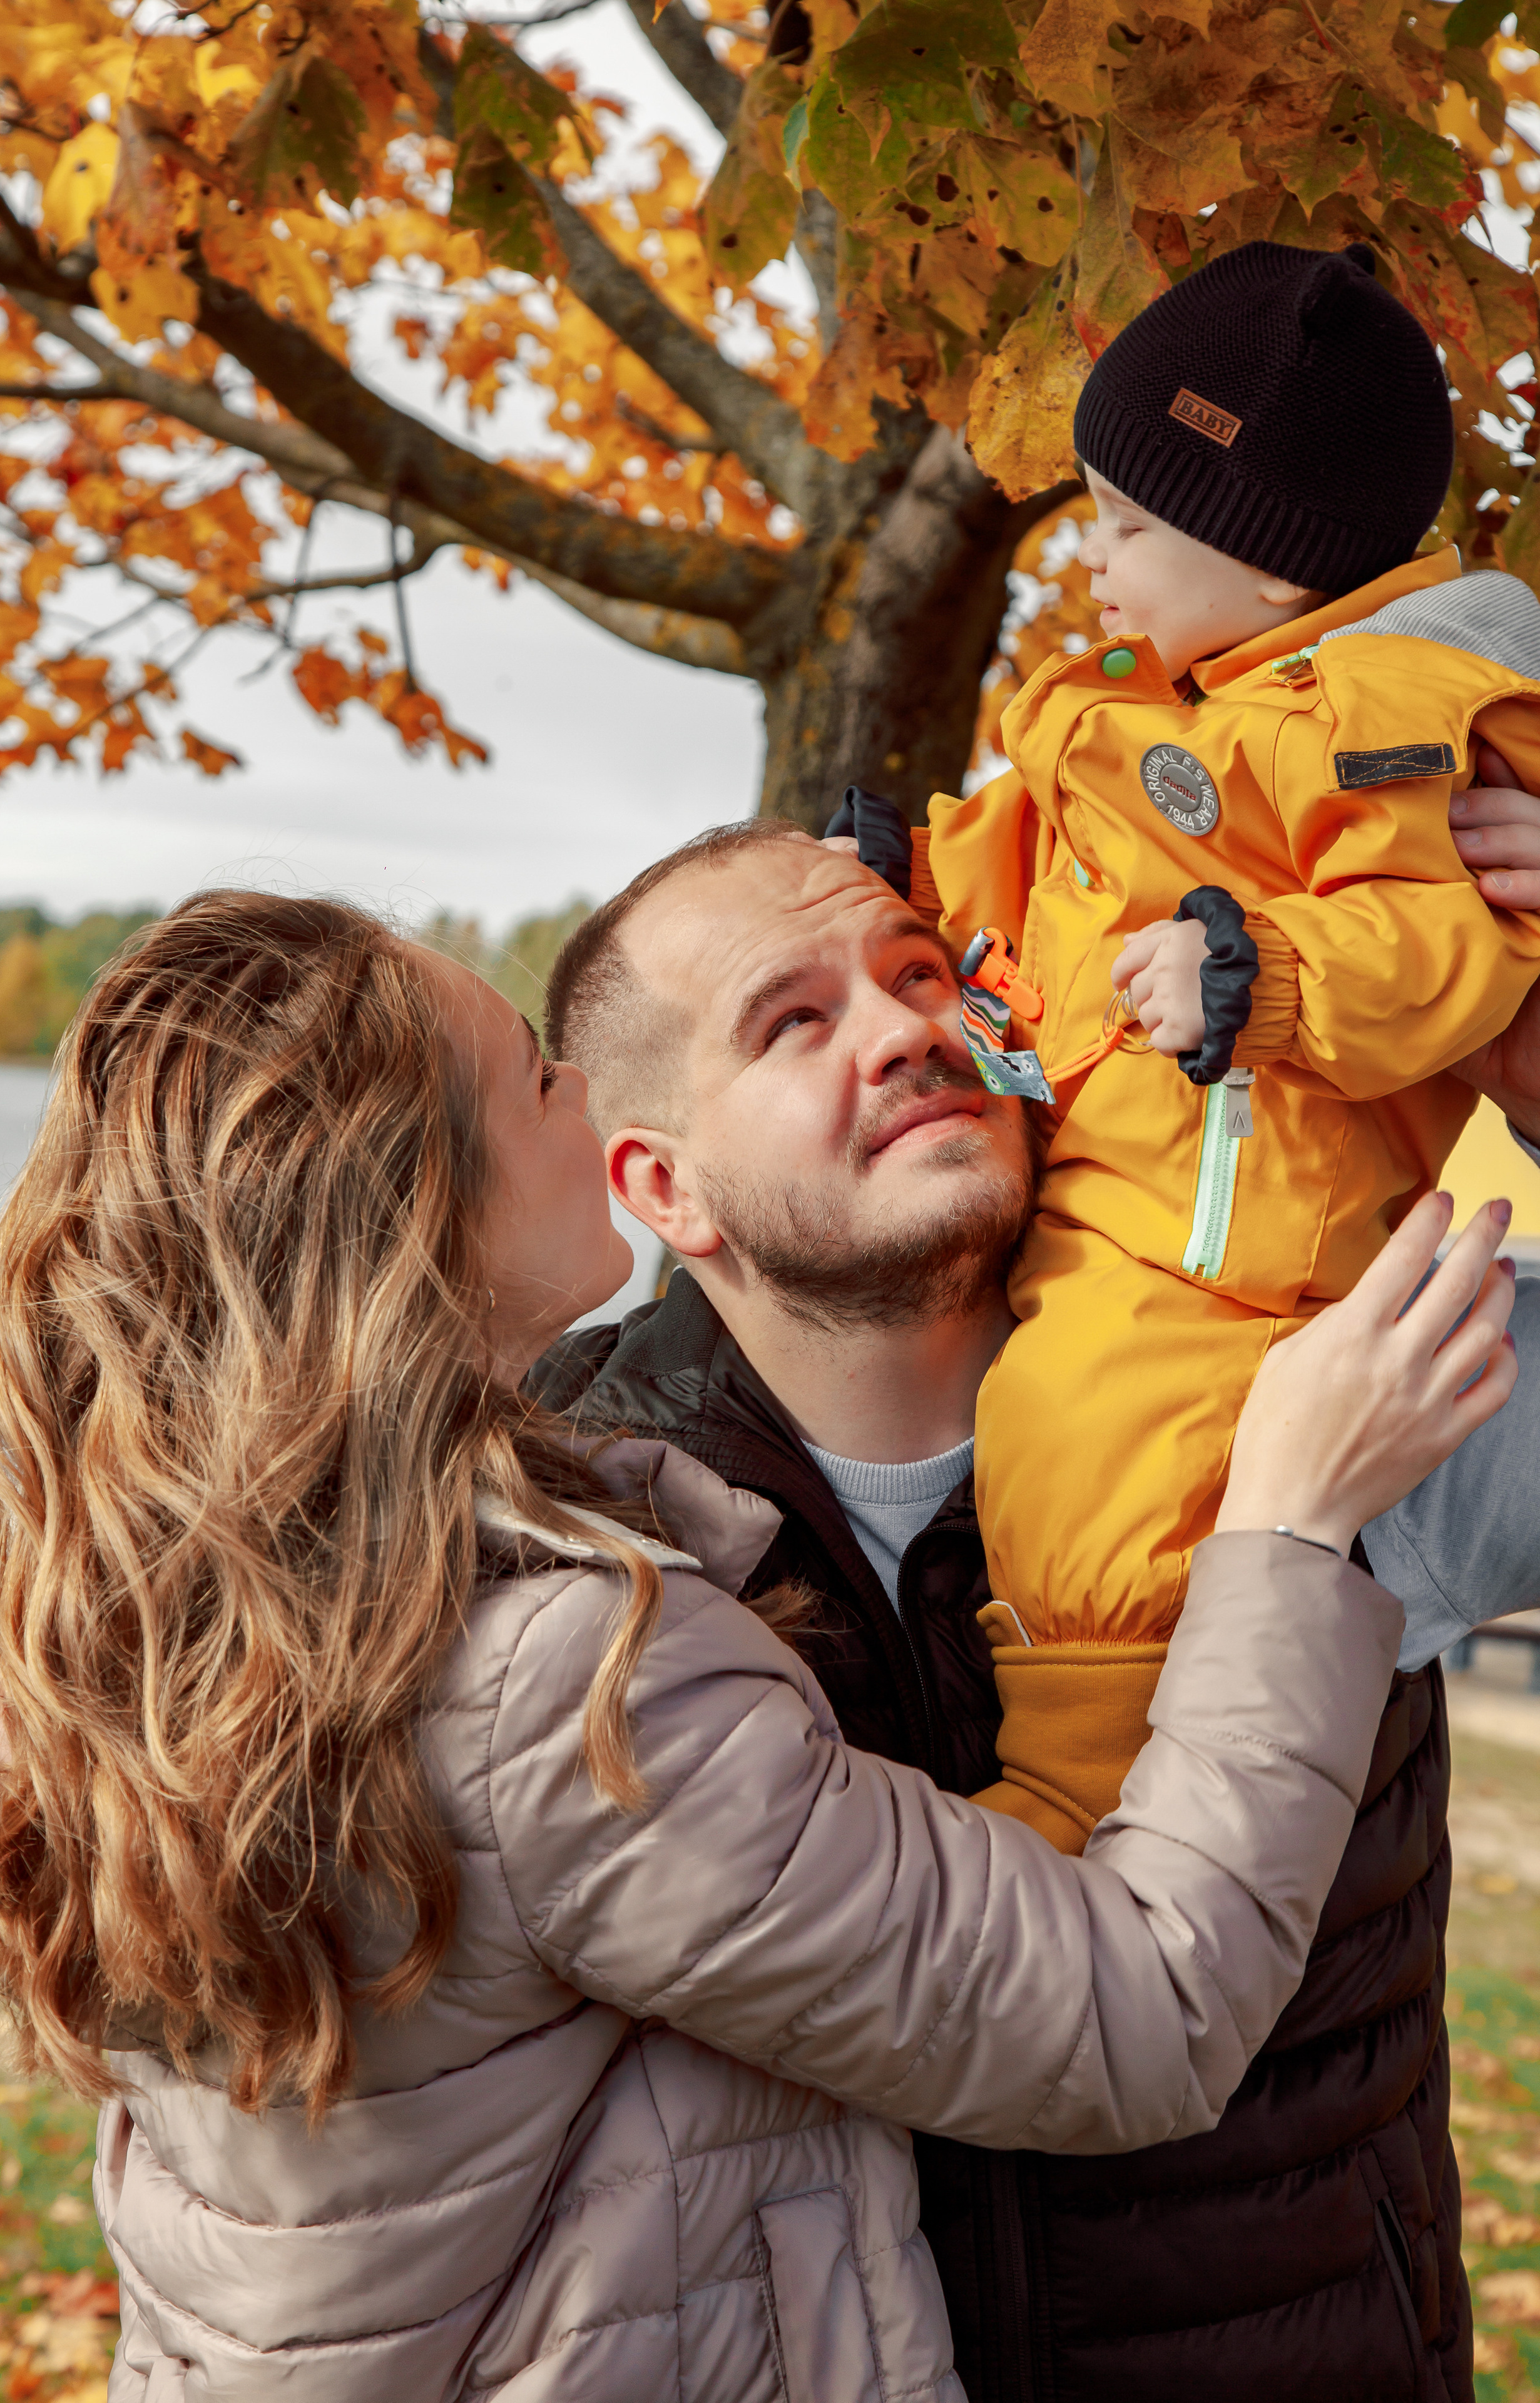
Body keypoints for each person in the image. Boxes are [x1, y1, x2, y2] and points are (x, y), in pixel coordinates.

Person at [0, 889, 1497, 2400]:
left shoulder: (145, 1613)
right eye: (543, 1078)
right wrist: (1286, 1525)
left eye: (922, 972)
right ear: (429, 1200)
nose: (898, 1034)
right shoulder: (563, 1674)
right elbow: (1133, 2007)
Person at [539, 818, 1540, 2402]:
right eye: (792, 1020)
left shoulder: (1333, 1398)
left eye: (922, 970)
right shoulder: (562, 1546)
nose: (904, 1028)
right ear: (664, 1185)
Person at [918, 239, 1540, 1854]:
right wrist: (909, 878)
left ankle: (1066, 1824)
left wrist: (1251, 978)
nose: (1092, 560)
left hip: (1231, 1264)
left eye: (1129, 525)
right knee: (1047, 1454)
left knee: (1106, 1481)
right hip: (1104, 1194)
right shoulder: (1145, 717)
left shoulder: (1374, 728)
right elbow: (1040, 870)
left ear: (1266, 570)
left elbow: (1432, 942)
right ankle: (1044, 1806)